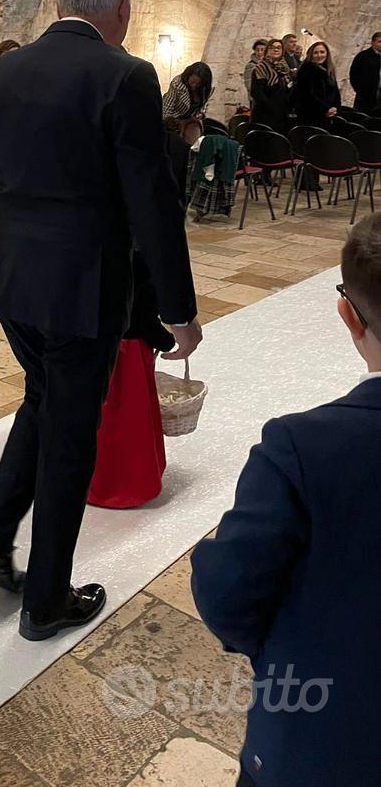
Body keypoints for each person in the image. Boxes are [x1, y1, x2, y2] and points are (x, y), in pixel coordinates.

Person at [0, 0, 201, 642]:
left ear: (60, 1)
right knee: (69, 435)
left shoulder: (1, 72)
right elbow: (152, 202)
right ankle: (46, 601)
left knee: (42, 401)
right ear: (121, 7)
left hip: (13, 280)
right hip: (81, 288)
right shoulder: (125, 75)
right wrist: (178, 310)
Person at [191, 214, 381, 787]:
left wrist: (286, 646)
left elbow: (227, 591)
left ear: (348, 315)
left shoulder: (303, 448)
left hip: (325, 743)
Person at [87, 254, 173, 509]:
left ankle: (93, 481)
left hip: (89, 345)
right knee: (130, 417)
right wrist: (166, 340)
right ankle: (129, 484)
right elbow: (144, 312)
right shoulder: (138, 254)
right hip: (129, 350)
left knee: (99, 417)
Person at [250, 38, 294, 133]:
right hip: (265, 114)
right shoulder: (260, 68)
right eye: (272, 47)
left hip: (282, 114)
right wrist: (271, 107)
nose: (276, 50)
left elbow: (288, 88)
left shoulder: (285, 69)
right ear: (267, 50)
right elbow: (256, 92)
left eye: (279, 47)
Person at [293, 40, 340, 129]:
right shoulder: (306, 70)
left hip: (328, 115)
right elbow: (308, 95)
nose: (319, 55)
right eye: (316, 53)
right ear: (311, 55)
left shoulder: (329, 70)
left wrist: (335, 107)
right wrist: (325, 109)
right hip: (311, 116)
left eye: (322, 52)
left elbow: (335, 92)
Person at [348, 31, 381, 114]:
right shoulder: (362, 56)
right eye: (380, 41)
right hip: (365, 99)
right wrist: (361, 91)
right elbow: (353, 75)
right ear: (372, 42)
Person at [243, 39, 267, 104]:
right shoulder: (251, 65)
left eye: (262, 50)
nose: (259, 52)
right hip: (256, 99)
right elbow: (249, 84)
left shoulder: (269, 64)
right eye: (257, 50)